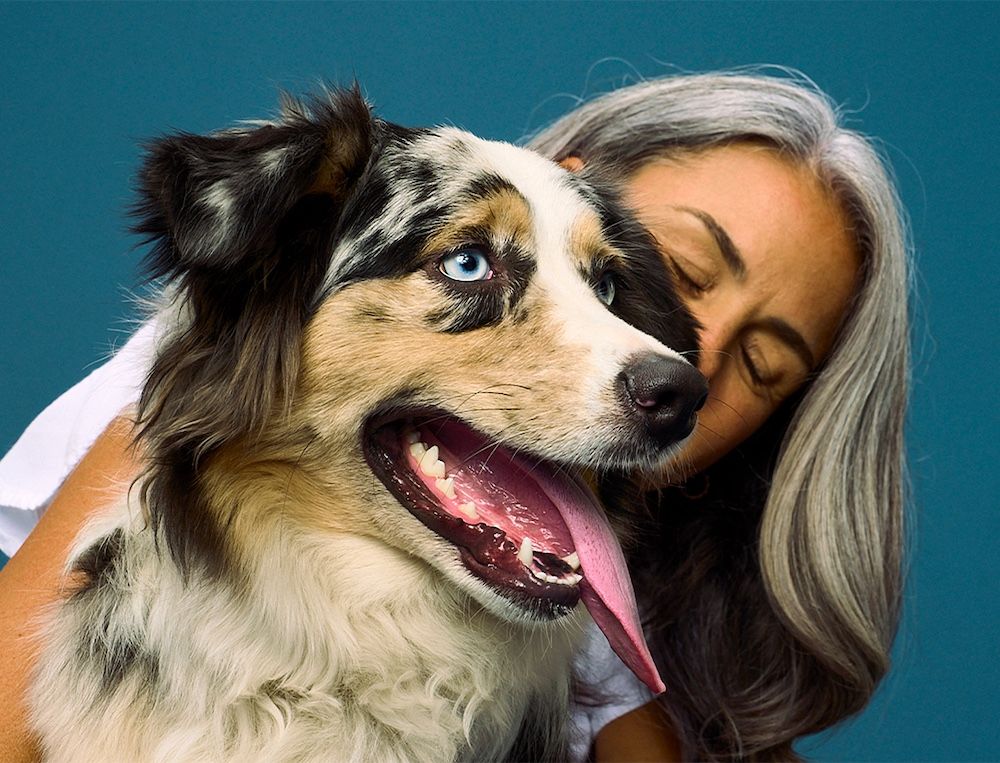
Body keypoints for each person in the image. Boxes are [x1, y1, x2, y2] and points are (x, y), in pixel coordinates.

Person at [0, 70, 910, 761]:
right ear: (565, 179)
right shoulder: (199, 370)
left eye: (761, 365)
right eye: (672, 276)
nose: (684, 362)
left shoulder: (627, 624)